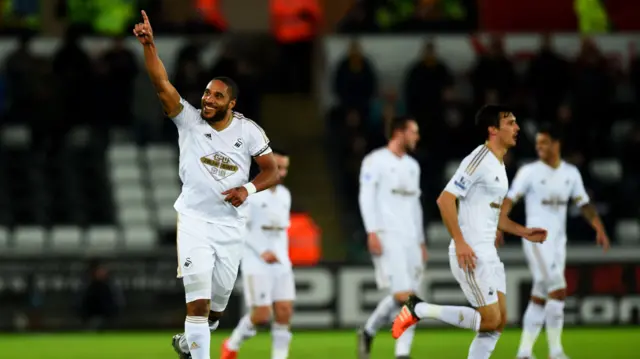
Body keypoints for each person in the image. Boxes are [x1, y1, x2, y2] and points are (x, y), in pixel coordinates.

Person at [133, 11, 280, 359]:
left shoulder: (249, 131)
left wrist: (248, 189)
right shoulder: (188, 120)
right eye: (206, 93)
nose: (208, 100)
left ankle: (189, 342)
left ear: (232, 103)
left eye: (217, 96)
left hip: (230, 227)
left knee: (215, 311)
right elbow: (161, 85)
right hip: (195, 221)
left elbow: (272, 171)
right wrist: (150, 46)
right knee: (196, 305)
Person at [391, 105, 548, 359]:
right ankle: (419, 309)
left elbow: (496, 217)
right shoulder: (479, 159)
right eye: (510, 123)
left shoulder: (499, 165)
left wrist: (524, 232)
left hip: (488, 252)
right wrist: (461, 242)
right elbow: (445, 199)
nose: (517, 128)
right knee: (489, 320)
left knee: (498, 323)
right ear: (493, 130)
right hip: (472, 252)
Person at [499, 124, 610, 359]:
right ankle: (556, 351)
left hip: (558, 241)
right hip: (536, 239)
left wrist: (599, 227)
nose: (539, 147)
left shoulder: (570, 173)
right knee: (558, 288)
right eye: (537, 143)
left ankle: (524, 352)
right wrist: (500, 223)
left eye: (544, 143)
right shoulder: (528, 171)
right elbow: (509, 199)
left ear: (556, 144)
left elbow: (584, 204)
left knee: (540, 294)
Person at [356, 116, 428, 359]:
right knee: (405, 297)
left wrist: (420, 240)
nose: (417, 137)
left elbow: (416, 205)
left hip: (410, 238)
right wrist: (372, 231)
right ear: (399, 132)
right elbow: (366, 197)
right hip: (387, 235)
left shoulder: (412, 165)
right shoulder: (375, 161)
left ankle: (368, 331)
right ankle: (402, 354)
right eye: (413, 132)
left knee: (410, 298)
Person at [219, 148, 294, 359]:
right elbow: (241, 227)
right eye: (278, 168)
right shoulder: (250, 193)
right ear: (266, 166)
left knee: (285, 311)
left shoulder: (285, 195)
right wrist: (263, 251)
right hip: (256, 260)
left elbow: (282, 229)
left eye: (285, 169)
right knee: (261, 315)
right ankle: (232, 343)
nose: (282, 173)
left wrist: (283, 256)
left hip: (281, 260)